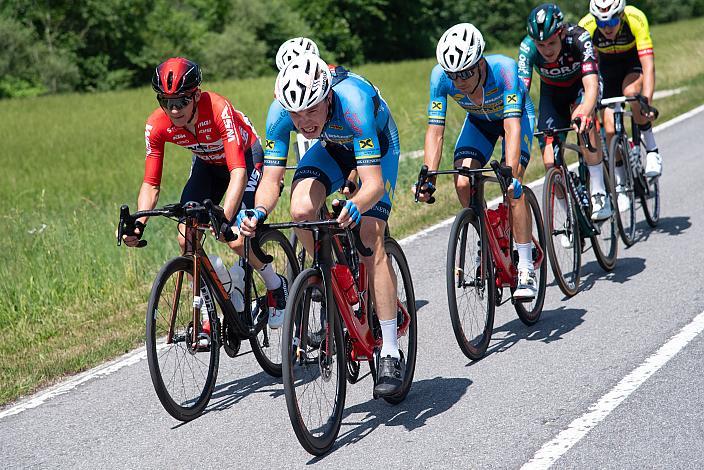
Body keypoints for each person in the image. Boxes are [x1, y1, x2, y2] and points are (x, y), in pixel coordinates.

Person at [238, 54, 404, 397]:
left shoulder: (354, 102)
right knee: (300, 210)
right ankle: (336, 277)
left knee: (370, 235)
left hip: (376, 149)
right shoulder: (280, 114)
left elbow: (371, 184)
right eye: (296, 114)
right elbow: (271, 180)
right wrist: (257, 213)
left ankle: (389, 350)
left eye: (312, 110)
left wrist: (356, 206)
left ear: (328, 97)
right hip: (332, 149)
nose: (304, 122)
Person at [120, 57, 288, 329]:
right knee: (186, 237)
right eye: (166, 101)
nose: (174, 110)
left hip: (244, 159)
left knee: (234, 237)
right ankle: (214, 301)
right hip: (207, 165)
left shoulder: (218, 108)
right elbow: (151, 183)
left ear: (196, 95)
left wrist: (225, 218)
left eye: (182, 101)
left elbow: (238, 173)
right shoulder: (156, 125)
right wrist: (139, 223)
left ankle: (275, 283)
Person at [414, 23, 538, 299]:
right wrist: (429, 177)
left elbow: (512, 127)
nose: (459, 82)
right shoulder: (439, 78)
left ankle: (526, 266)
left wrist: (510, 170)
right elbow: (436, 130)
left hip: (515, 120)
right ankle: (488, 239)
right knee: (462, 182)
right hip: (479, 124)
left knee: (513, 187)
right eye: (453, 75)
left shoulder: (505, 71)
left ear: (480, 62)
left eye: (465, 73)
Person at [519, 3, 612, 222]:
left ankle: (599, 192)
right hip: (552, 93)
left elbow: (591, 85)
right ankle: (569, 215)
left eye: (551, 42)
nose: (547, 50)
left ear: (561, 33)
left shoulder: (578, 38)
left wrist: (585, 111)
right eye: (541, 45)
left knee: (583, 123)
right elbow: (521, 91)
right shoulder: (527, 48)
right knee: (550, 159)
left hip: (583, 86)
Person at [579, 0, 661, 213]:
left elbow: (648, 66)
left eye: (613, 21)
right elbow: (584, 70)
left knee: (632, 94)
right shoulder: (586, 26)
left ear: (622, 15)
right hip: (606, 69)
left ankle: (652, 150)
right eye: (601, 22)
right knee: (608, 128)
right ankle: (621, 182)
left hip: (631, 63)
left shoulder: (635, 18)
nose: (606, 28)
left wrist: (647, 102)